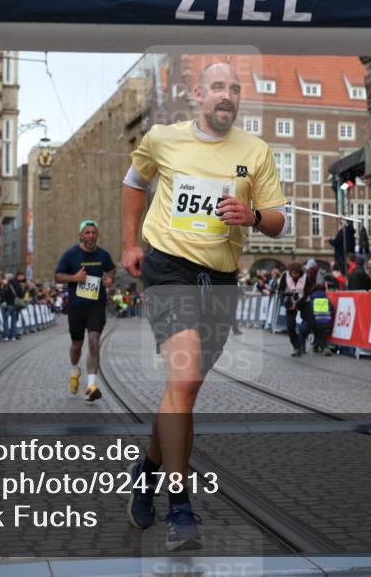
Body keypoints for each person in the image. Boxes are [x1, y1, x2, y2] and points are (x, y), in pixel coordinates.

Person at [121, 61, 287, 550]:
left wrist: (252, 215)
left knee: (181, 390)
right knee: (187, 377)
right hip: (168, 268)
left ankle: (148, 470)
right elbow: (134, 182)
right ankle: (181, 508)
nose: (227, 96)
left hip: (219, 278)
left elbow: (278, 220)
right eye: (218, 87)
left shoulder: (255, 151)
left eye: (235, 89)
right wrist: (129, 243)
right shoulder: (162, 138)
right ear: (199, 94)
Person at [54, 219, 116, 402]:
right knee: (77, 346)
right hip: (76, 306)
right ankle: (75, 370)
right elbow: (58, 276)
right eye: (87, 233)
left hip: (97, 305)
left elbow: (112, 269)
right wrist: (74, 277)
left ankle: (91, 385)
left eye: (93, 233)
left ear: (97, 235)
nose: (91, 236)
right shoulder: (71, 254)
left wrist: (109, 279)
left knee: (94, 341)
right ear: (81, 235)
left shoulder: (103, 255)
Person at [278, 260, 320, 357]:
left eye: (295, 273)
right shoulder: (285, 276)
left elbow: (306, 294)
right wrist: (286, 300)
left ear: (299, 271)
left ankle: (323, 344)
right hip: (290, 303)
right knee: (290, 326)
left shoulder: (306, 277)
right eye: (291, 273)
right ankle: (297, 347)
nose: (293, 275)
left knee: (312, 321)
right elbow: (280, 290)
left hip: (304, 302)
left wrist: (296, 305)